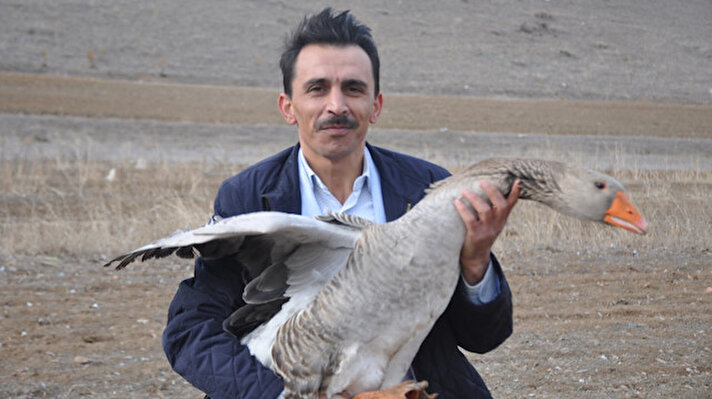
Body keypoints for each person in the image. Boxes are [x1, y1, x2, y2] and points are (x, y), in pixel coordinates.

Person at [163, 8, 519, 399]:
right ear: (287, 107)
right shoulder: (247, 196)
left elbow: (483, 338)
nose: (337, 106)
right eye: (317, 89)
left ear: (376, 105)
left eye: (353, 88)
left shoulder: (425, 189)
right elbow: (192, 327)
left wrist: (475, 264)